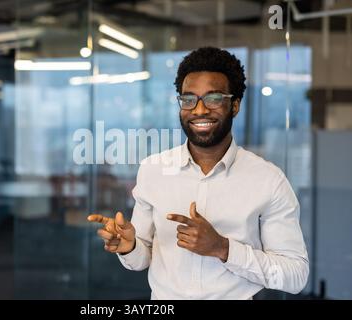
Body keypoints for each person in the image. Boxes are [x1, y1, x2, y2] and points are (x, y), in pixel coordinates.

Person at [88, 47, 309, 300]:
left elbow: (296, 275)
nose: (199, 110)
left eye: (213, 98)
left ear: (234, 105)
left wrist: (223, 248)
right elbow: (142, 258)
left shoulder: (268, 180)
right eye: (189, 99)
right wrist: (129, 247)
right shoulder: (153, 170)